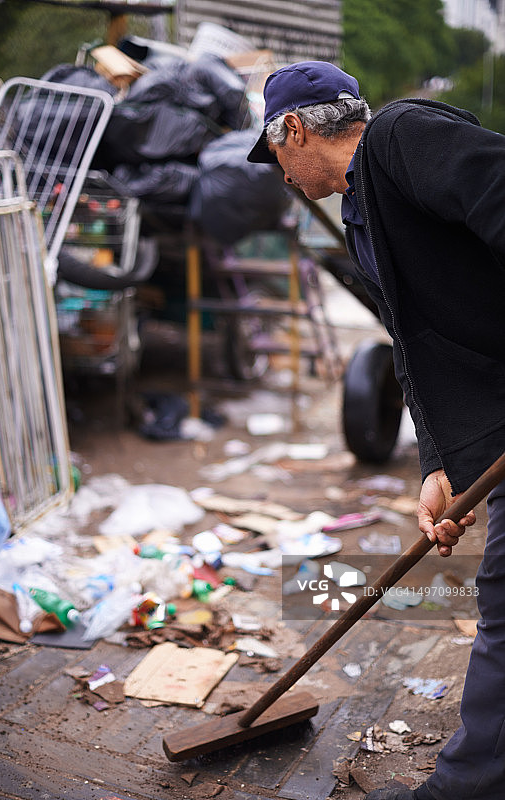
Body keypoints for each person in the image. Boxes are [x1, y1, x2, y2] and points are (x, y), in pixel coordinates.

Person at [248, 60, 505, 800]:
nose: (284, 178)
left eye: (276, 159)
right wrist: (438, 463)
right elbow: (417, 347)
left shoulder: (400, 136)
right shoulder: (363, 216)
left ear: (295, 128)